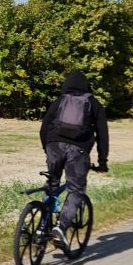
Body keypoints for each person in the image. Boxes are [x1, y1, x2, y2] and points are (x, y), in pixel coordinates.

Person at [39, 69, 109, 247]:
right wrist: (102, 162)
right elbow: (102, 134)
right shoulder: (93, 103)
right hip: (78, 150)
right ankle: (61, 228)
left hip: (54, 145)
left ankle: (41, 226)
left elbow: (44, 126)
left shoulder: (61, 100)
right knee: (76, 190)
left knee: (52, 182)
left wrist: (47, 148)